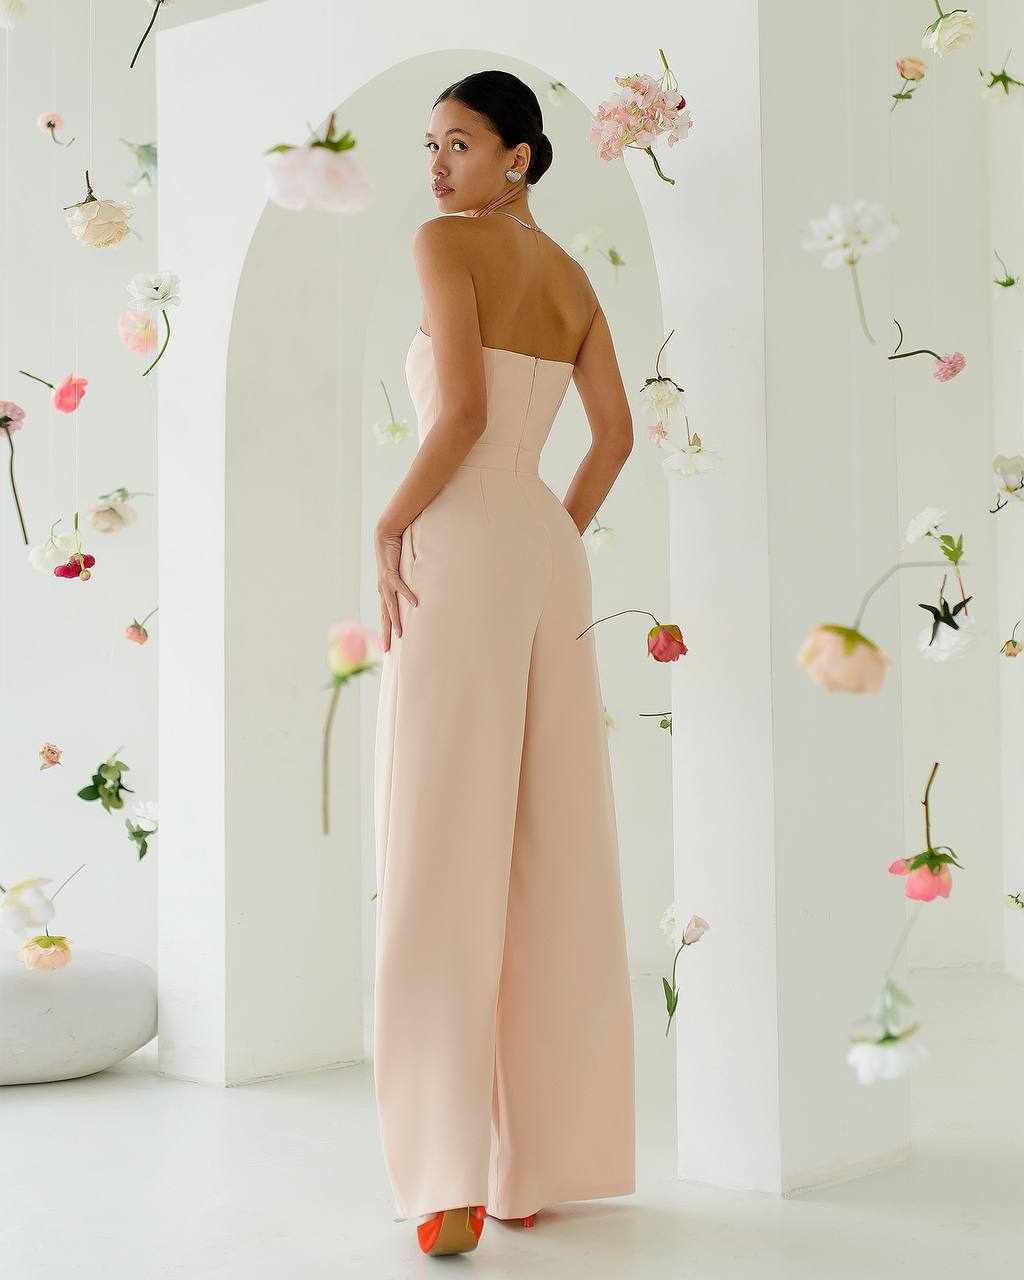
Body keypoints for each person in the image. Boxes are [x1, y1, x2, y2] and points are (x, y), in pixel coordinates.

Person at [372, 69, 635, 1258]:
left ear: (519, 156)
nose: (436, 167)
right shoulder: (573, 278)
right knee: (550, 845)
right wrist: (550, 537)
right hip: (540, 545)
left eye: (460, 143)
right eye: (429, 145)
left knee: (434, 849)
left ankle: (444, 1181)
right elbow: (616, 435)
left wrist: (388, 525)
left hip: (462, 544)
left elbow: (461, 415)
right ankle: (534, 1167)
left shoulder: (446, 244)